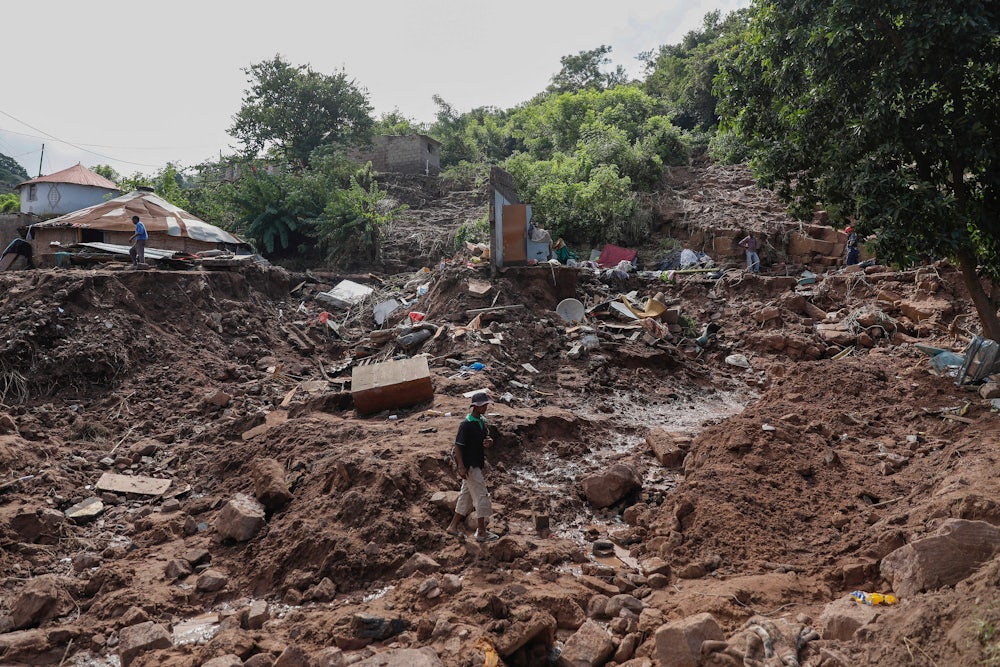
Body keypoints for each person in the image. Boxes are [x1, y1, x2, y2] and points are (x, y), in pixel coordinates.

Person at [446, 392, 499, 542]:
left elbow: (486, 439)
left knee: (466, 496)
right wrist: (461, 467)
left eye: (486, 405)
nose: (485, 407)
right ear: (475, 406)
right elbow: (457, 447)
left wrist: (489, 442)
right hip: (470, 466)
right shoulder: (466, 424)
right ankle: (481, 532)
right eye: (483, 405)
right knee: (481, 496)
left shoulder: (481, 421)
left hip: (477, 463)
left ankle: (452, 526)